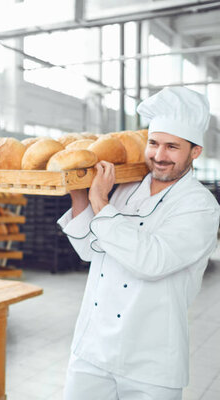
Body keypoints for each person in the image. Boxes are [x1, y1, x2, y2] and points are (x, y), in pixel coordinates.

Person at [59, 87, 220, 400]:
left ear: (195, 151)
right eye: (154, 143)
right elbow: (89, 250)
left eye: (172, 147)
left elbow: (152, 261)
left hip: (152, 362)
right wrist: (80, 192)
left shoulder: (200, 206)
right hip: (92, 350)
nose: (159, 156)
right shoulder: (124, 189)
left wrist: (101, 203)